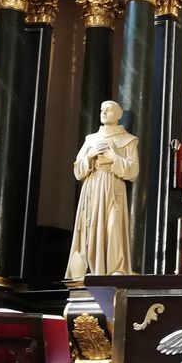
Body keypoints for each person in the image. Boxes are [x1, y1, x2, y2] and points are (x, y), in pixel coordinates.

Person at [65, 100, 139, 280]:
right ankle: (89, 268)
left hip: (113, 187)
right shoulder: (91, 140)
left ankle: (115, 268)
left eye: (109, 109)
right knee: (90, 227)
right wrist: (90, 156)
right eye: (102, 110)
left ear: (119, 114)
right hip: (92, 186)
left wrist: (114, 157)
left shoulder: (128, 140)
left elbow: (133, 171)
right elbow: (78, 170)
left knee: (113, 225)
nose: (104, 112)